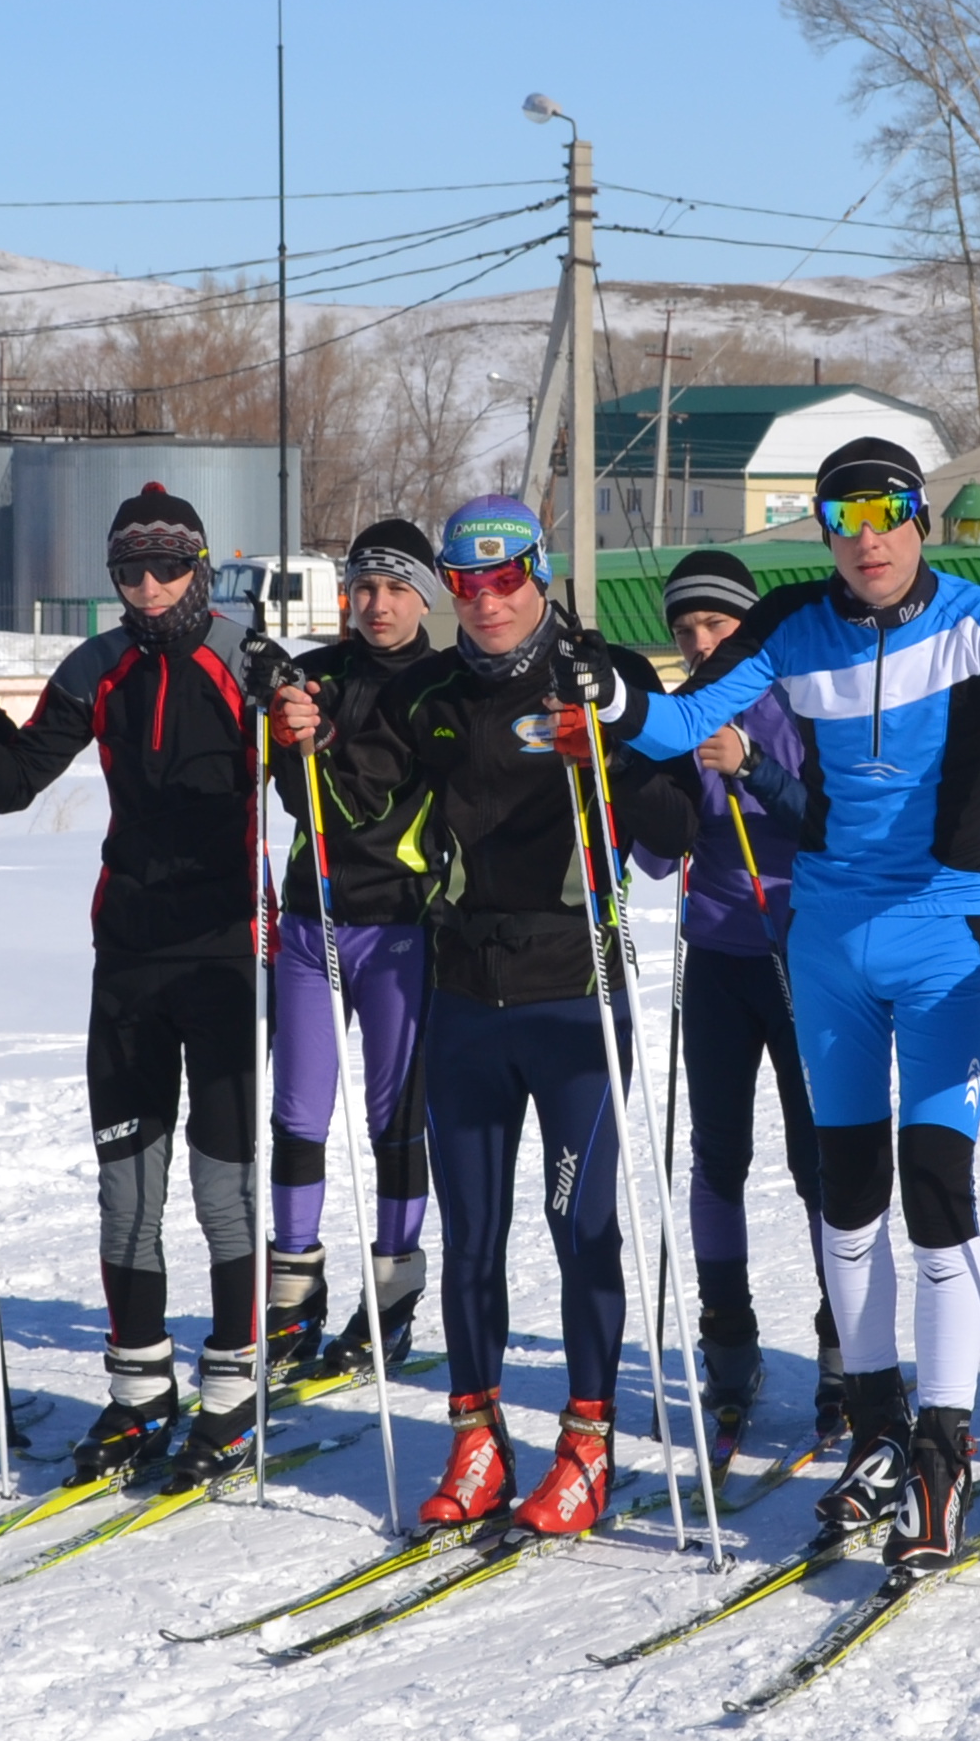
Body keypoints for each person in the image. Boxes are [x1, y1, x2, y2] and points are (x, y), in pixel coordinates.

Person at [620, 433, 980, 1568]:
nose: (868, 542)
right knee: (844, 1201)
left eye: (887, 514)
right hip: (824, 944)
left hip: (941, 932)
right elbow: (668, 726)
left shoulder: (977, 621)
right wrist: (600, 678)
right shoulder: (793, 624)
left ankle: (945, 1448)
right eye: (843, 522)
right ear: (823, 533)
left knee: (935, 1189)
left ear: (921, 520)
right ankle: (877, 1424)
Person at [273, 496, 695, 1534]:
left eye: (507, 581)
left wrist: (616, 733)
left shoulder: (603, 677)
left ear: (540, 578)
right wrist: (308, 739)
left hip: (573, 1000)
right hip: (464, 999)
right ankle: (477, 1439)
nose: (490, 601)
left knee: (577, 1223)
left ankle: (588, 1442)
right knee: (471, 1237)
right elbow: (356, 803)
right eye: (468, 584)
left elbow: (674, 832)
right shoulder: (431, 694)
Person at [0, 483, 277, 1484]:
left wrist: (305, 720)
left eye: (164, 567)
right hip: (128, 957)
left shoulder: (242, 656)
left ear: (199, 568)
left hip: (226, 952)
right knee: (125, 1191)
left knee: (221, 1193)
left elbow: (313, 780)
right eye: (127, 571)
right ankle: (139, 1395)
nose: (144, 586)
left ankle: (232, 1389)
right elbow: (9, 780)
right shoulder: (99, 664)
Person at [261, 515, 443, 1391]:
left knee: (393, 1125)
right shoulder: (318, 674)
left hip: (399, 927)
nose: (378, 605)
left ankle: (391, 1299)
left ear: (425, 598)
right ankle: (292, 1299)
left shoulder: (440, 684)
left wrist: (322, 742)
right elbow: (294, 798)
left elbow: (375, 802)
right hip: (310, 923)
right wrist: (278, 723)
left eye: (397, 588)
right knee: (297, 1118)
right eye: (365, 587)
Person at [655, 545, 824, 1446]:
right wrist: (649, 787)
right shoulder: (682, 714)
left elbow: (828, 817)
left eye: (715, 625)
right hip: (715, 954)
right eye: (685, 630)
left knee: (820, 1162)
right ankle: (729, 1345)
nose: (700, 642)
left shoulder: (797, 699)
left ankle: (844, 1355)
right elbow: (651, 851)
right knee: (717, 1159)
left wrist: (753, 764)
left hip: (797, 951)